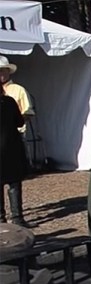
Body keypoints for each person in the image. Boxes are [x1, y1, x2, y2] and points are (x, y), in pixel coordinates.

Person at [0, 84, 35, 228]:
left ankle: (1, 219)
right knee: (14, 183)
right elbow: (19, 122)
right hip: (10, 148)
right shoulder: (9, 102)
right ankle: (17, 218)